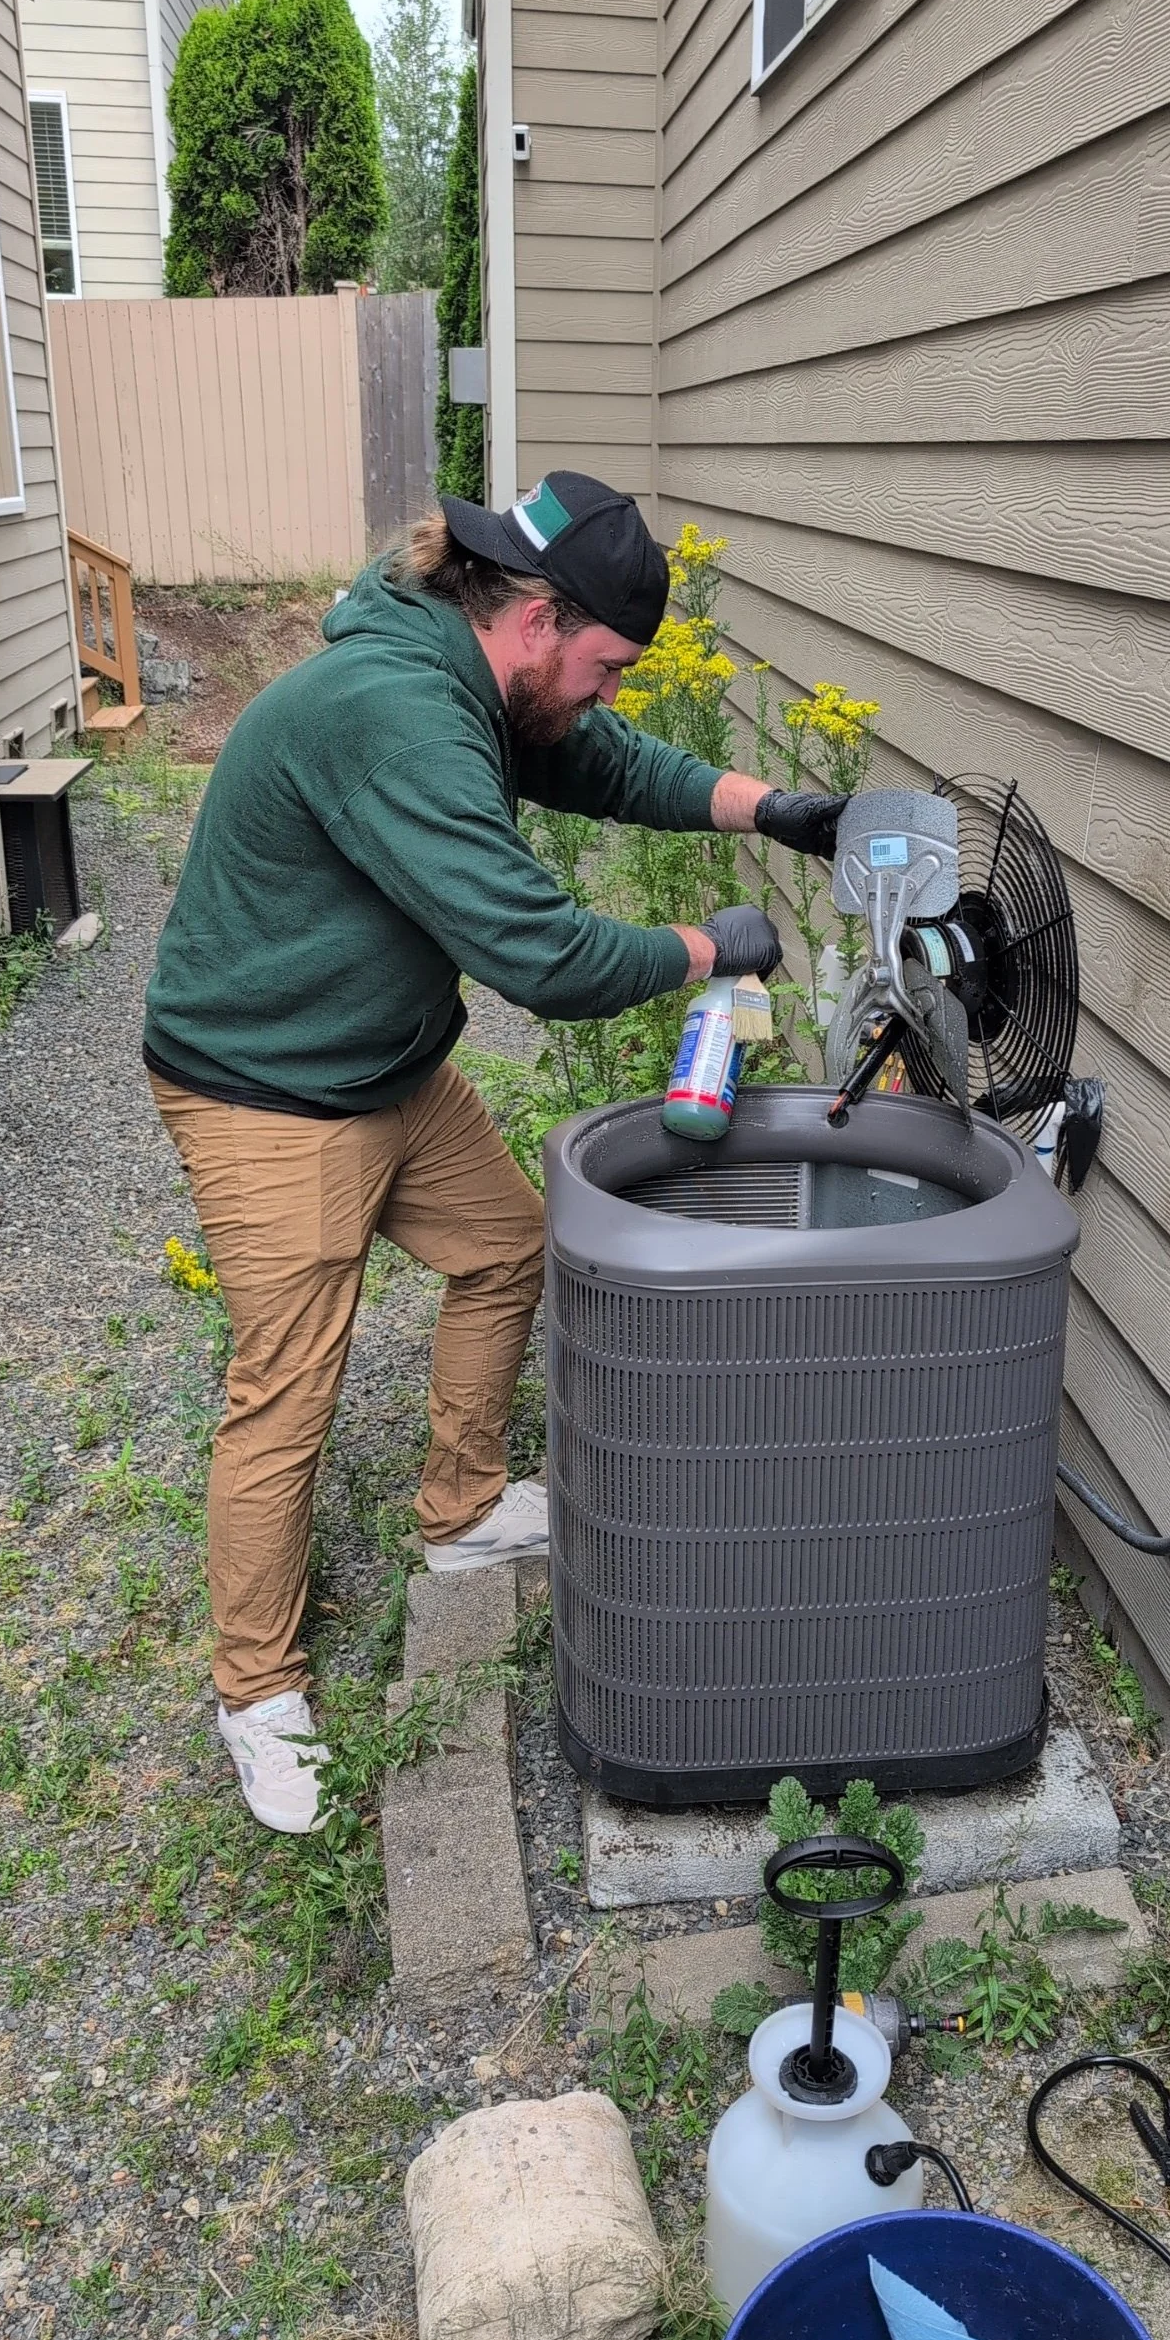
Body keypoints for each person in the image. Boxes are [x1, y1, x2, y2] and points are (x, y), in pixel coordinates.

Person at [142, 471, 848, 1834]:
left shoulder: (469, 676)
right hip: (264, 1088)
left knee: (508, 1245)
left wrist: (774, 810)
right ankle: (257, 1695)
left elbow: (607, 765)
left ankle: (460, 1508)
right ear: (536, 620)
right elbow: (540, 951)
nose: (608, 692)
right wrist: (710, 948)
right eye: (606, 666)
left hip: (380, 1063)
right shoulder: (398, 715)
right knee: (289, 1384)